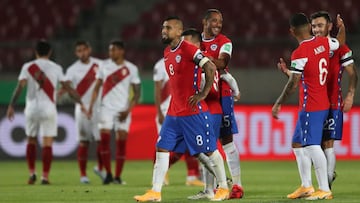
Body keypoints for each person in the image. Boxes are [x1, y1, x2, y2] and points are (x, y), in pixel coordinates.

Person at [134, 16, 229, 202]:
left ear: (179, 32)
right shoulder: (167, 52)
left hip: (193, 111)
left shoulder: (189, 49)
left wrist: (203, 93)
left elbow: (210, 67)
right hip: (173, 112)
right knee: (161, 148)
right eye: (163, 27)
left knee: (209, 150)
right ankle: (155, 192)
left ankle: (224, 188)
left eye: (168, 28)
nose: (163, 31)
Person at [277, 12, 356, 196]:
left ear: (292, 31)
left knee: (315, 145)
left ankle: (324, 189)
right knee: (297, 143)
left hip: (312, 104)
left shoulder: (300, 52)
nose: (317, 29)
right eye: (314, 25)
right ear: (309, 27)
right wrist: (342, 29)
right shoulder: (324, 43)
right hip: (321, 102)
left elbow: (294, 82)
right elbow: (339, 43)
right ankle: (306, 186)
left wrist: (278, 103)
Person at [6, 40, 87, 185]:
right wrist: (81, 102)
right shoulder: (56, 67)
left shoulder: (28, 67)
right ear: (50, 52)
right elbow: (68, 88)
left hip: (31, 108)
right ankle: (45, 176)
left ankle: (31, 173)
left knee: (31, 140)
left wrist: (11, 105)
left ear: (36, 52)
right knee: (47, 144)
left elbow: (20, 87)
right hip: (49, 108)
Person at [199, 8, 244, 199]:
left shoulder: (225, 42)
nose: (218, 24)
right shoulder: (195, 41)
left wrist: (201, 59)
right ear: (205, 22)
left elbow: (223, 63)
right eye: (214, 21)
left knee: (227, 141)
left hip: (222, 95)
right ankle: (209, 189)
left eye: (220, 21)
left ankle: (237, 186)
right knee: (205, 143)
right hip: (202, 95)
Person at [87, 40, 141, 184]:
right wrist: (91, 106)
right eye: (110, 50)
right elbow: (97, 87)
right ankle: (108, 174)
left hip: (123, 110)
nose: (111, 53)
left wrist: (128, 110)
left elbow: (137, 93)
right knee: (104, 140)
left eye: (114, 50)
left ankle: (117, 176)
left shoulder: (131, 68)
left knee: (121, 143)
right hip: (106, 109)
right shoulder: (103, 66)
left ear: (121, 51)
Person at [153, 57, 204, 187]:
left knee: (188, 142)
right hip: (166, 110)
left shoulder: (186, 61)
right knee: (163, 144)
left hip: (182, 110)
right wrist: (159, 111)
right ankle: (160, 174)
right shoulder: (160, 65)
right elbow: (158, 89)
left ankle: (192, 176)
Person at [63, 40, 105, 184]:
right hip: (81, 109)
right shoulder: (71, 70)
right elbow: (69, 90)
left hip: (99, 108)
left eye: (84, 50)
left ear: (89, 49)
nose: (82, 53)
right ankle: (83, 175)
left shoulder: (100, 64)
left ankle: (101, 168)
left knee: (101, 141)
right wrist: (80, 104)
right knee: (83, 142)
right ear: (76, 53)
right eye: (79, 51)